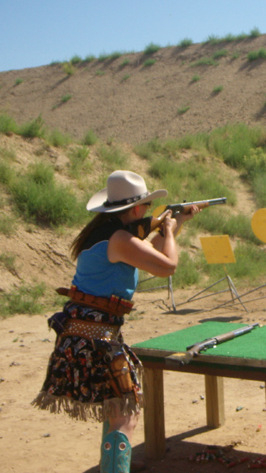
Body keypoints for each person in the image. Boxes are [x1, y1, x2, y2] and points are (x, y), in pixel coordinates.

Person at [32, 170, 200, 473]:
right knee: (125, 412)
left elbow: (152, 254)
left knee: (117, 408)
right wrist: (169, 228)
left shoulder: (108, 235)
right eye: (146, 206)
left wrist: (178, 222)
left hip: (86, 332)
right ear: (135, 210)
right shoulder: (120, 239)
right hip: (96, 336)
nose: (148, 211)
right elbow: (168, 266)